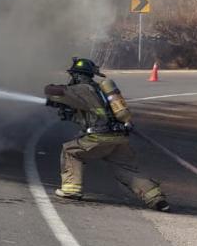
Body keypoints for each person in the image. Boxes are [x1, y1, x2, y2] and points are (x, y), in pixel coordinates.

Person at [44, 57, 169, 211]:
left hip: (98, 138)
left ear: (77, 75)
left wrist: (50, 90)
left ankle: (71, 190)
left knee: (70, 151)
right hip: (119, 138)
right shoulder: (100, 90)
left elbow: (55, 92)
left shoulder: (82, 89)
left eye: (73, 75)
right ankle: (156, 198)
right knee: (126, 170)